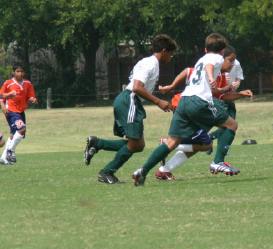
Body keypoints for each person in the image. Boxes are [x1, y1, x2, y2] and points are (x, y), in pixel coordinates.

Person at [132, 32, 240, 186]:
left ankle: (142, 171)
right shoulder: (216, 57)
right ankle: (218, 162)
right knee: (232, 125)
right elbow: (210, 67)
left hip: (184, 101)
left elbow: (208, 81)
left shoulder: (200, 61)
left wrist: (224, 88)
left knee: (172, 142)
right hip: (199, 102)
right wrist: (211, 77)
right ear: (222, 51)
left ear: (204, 49)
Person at [83, 34, 177, 184]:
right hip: (130, 100)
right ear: (164, 50)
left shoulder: (150, 63)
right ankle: (106, 172)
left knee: (138, 145)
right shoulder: (150, 63)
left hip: (129, 100)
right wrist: (159, 102)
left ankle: (97, 143)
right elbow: (137, 87)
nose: (171, 57)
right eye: (171, 53)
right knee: (135, 144)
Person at [155, 45, 253, 181]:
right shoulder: (210, 67)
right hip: (191, 107)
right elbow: (188, 71)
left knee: (201, 143)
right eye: (230, 61)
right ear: (221, 58)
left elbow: (221, 96)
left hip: (193, 107)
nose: (232, 65)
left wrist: (239, 93)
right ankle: (167, 144)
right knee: (205, 143)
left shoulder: (220, 74)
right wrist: (171, 86)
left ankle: (164, 170)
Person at [0, 65, 37, 165]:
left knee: (14, 135)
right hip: (11, 111)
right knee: (21, 129)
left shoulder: (28, 84)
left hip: (21, 112)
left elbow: (30, 96)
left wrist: (32, 99)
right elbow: (1, 95)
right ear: (13, 72)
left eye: (21, 71)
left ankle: (3, 158)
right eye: (17, 71)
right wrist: (4, 103)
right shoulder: (8, 83)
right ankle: (10, 151)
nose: (20, 73)